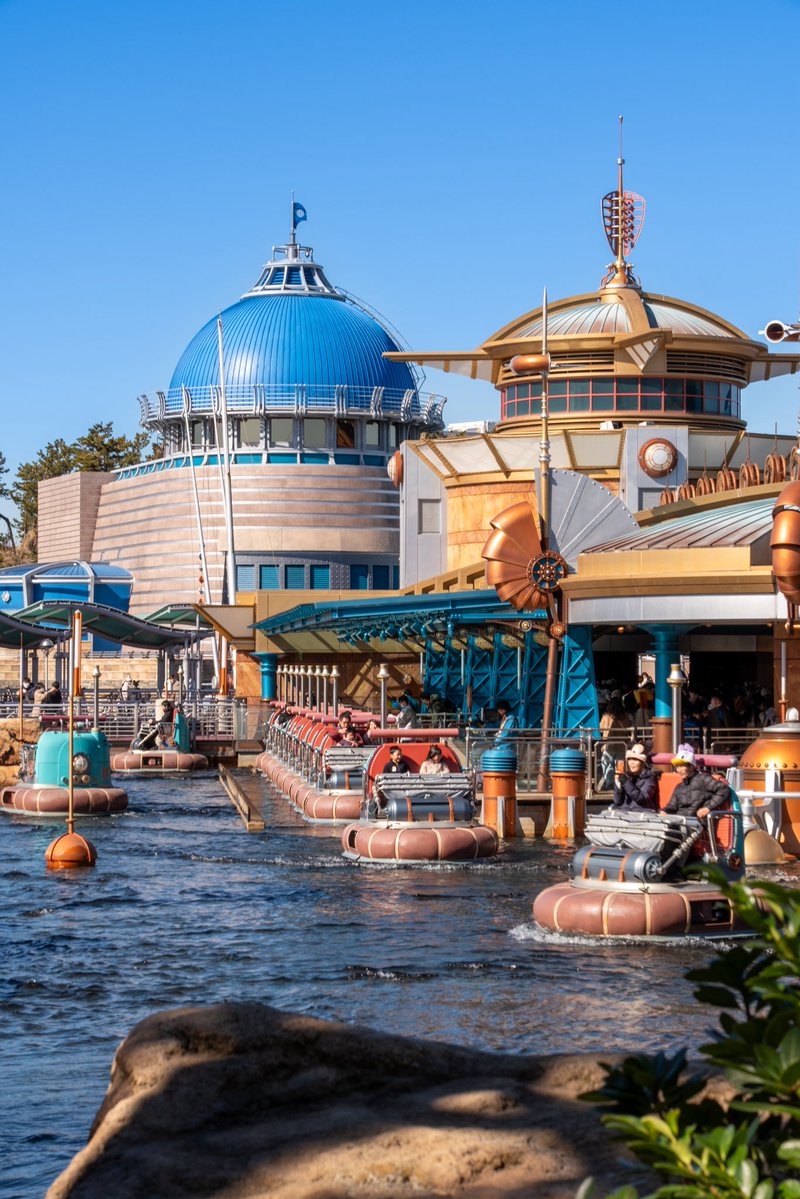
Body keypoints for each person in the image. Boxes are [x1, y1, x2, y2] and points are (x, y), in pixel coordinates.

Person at [664, 744, 730, 820]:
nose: (679, 770)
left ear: (691, 766)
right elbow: (671, 807)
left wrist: (708, 808)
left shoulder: (703, 778)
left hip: (697, 825)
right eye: (677, 767)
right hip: (680, 822)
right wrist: (663, 811)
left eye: (682, 766)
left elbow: (723, 789)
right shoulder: (679, 787)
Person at [611, 744, 659, 811]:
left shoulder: (650, 778)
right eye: (629, 759)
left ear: (643, 763)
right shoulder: (628, 776)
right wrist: (618, 785)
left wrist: (626, 782)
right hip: (626, 812)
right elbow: (617, 801)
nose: (631, 763)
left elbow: (642, 798)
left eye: (635, 760)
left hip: (644, 813)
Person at [599, 696, 629, 789]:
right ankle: (618, 783)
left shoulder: (606, 716)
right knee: (619, 764)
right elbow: (628, 727)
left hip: (609, 744)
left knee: (606, 762)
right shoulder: (625, 716)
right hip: (621, 743)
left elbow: (600, 729)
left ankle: (609, 782)